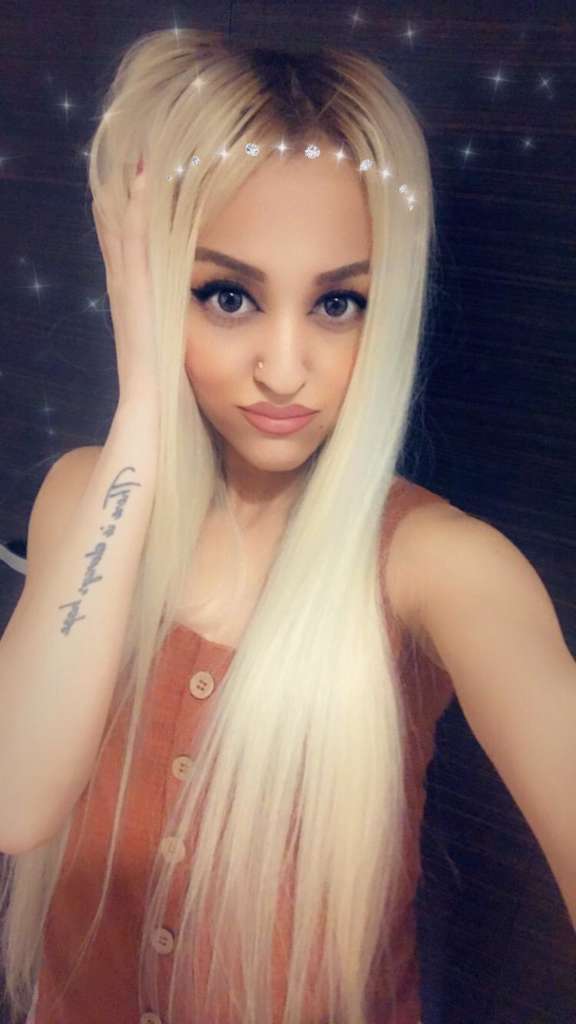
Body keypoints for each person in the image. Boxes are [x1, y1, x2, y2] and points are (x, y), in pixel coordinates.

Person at [1, 27, 459, 1024]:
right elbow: (15, 798)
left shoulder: (433, 565)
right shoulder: (85, 496)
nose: (284, 370)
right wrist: (141, 409)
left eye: (339, 303)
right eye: (227, 295)